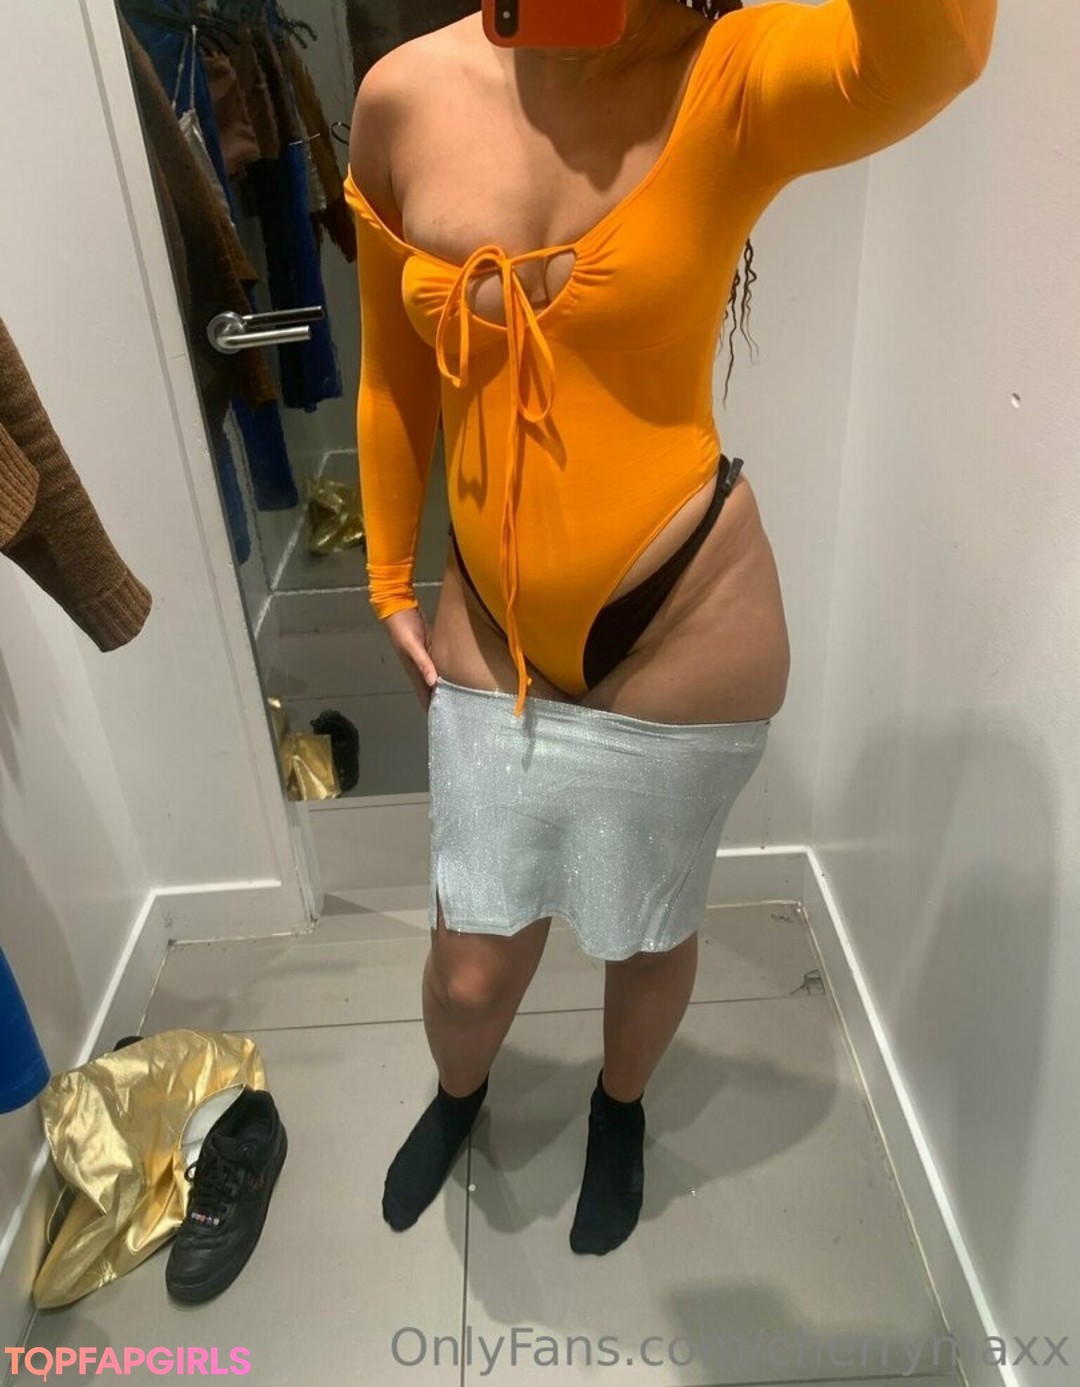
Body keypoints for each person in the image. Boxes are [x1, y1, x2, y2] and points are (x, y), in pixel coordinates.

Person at [344, 0, 997, 1255]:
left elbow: (941, 49)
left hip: (687, 624)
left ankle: (621, 1106)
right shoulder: (401, 97)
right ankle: (462, 1091)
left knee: (645, 924)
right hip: (490, 626)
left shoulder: (728, 77)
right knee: (471, 969)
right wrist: (385, 576)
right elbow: (391, 366)